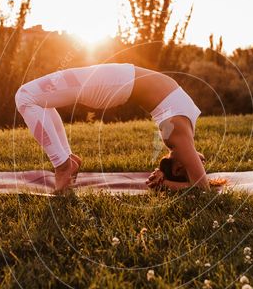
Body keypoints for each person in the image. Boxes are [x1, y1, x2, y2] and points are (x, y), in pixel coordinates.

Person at [15, 63, 209, 192]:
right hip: (120, 79)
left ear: (178, 169)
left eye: (200, 167)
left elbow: (202, 188)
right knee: (39, 100)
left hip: (117, 81)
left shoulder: (177, 137)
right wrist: (165, 177)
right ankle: (67, 161)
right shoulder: (183, 131)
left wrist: (165, 183)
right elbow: (197, 179)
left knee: (25, 96)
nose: (202, 163)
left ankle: (63, 164)